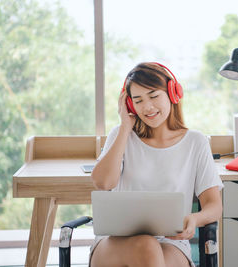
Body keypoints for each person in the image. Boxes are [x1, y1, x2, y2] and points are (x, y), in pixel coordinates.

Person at [90, 62, 223, 267]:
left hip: (172, 244)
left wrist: (194, 219)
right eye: (138, 100)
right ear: (129, 105)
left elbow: (214, 206)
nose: (147, 107)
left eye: (153, 96)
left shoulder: (196, 142)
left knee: (150, 250)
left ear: (172, 93)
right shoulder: (120, 135)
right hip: (115, 243)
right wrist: (126, 127)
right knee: (147, 246)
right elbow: (103, 183)